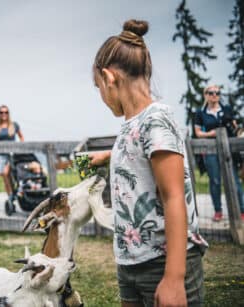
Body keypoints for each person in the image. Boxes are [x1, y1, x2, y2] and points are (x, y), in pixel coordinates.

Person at [88, 20, 208, 307]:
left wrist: (174, 278)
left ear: (109, 78)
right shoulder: (133, 124)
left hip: (163, 262)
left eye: (98, 88)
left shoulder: (156, 120)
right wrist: (107, 156)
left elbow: (173, 195)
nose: (102, 98)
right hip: (130, 261)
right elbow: (138, 154)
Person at [194, 85, 244, 222]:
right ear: (205, 95)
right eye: (211, 93)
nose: (215, 95)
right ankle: (218, 211)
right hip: (211, 150)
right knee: (215, 181)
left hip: (229, 150)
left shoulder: (227, 109)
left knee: (234, 180)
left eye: (217, 92)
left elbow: (235, 127)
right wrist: (212, 133)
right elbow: (198, 133)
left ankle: (242, 211)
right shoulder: (200, 113)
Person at [0, 105, 24, 196]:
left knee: (9, 172)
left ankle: (16, 191)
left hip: (12, 154)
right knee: (4, 175)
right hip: (1, 155)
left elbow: (21, 137)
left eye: (6, 112)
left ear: (8, 114)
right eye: (1, 112)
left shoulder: (14, 125)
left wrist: (20, 147)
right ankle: (10, 194)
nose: (4, 114)